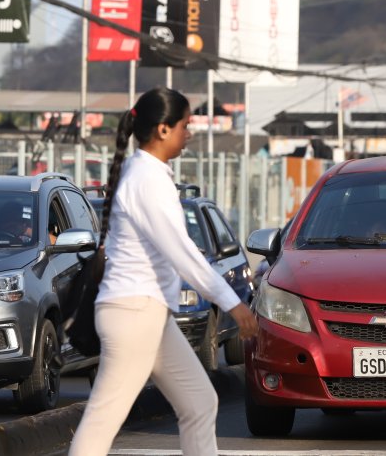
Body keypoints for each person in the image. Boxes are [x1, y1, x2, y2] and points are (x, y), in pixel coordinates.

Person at [70, 88, 258, 456]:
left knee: (200, 403)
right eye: (186, 125)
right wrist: (232, 302)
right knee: (102, 421)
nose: (190, 133)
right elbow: (182, 252)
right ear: (162, 130)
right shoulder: (147, 179)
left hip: (149, 315)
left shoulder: (146, 173)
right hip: (134, 315)